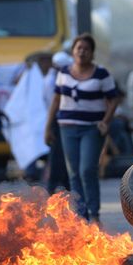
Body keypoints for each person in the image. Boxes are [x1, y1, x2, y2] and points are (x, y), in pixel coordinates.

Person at [45, 33, 118, 223]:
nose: (82, 52)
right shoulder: (63, 73)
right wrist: (48, 127)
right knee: (74, 173)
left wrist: (106, 121)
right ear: (73, 52)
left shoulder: (102, 74)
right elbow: (56, 100)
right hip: (67, 128)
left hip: (92, 129)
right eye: (79, 48)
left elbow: (113, 99)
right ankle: (80, 215)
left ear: (92, 53)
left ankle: (94, 213)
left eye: (86, 49)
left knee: (87, 169)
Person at [46, 51, 72, 193]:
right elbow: (54, 104)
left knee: (66, 156)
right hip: (58, 122)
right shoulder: (52, 81)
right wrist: (49, 127)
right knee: (58, 157)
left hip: (65, 121)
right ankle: (53, 187)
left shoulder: (59, 78)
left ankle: (65, 186)